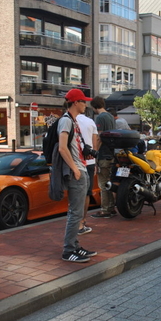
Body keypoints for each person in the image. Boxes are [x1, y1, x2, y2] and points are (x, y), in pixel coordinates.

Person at [59, 89, 96, 262]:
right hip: (77, 171)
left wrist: (84, 154)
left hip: (81, 167)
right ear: (75, 102)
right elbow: (62, 147)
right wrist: (74, 167)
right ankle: (68, 251)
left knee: (77, 212)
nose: (85, 105)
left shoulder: (73, 121)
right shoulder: (66, 121)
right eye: (83, 101)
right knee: (75, 213)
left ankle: (74, 246)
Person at [91, 96, 117, 218]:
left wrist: (95, 151)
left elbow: (99, 136)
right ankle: (111, 206)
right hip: (111, 152)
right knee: (109, 182)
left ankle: (106, 209)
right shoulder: (111, 117)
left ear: (94, 107)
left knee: (103, 184)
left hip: (103, 153)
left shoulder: (100, 117)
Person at [76, 108, 99, 235]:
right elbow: (94, 146)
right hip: (88, 162)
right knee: (86, 193)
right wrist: (95, 163)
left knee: (74, 193)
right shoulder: (90, 122)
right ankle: (82, 222)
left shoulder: (66, 120)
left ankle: (73, 222)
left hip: (73, 162)